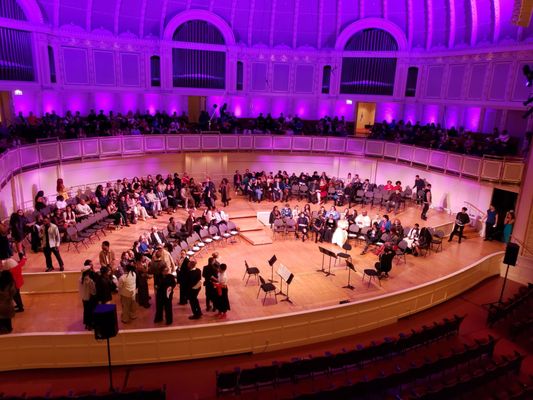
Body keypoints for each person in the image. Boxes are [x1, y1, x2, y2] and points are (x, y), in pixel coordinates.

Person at [79, 260, 96, 330]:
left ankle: (87, 324)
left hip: (84, 298)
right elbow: (93, 292)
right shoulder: (90, 281)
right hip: (90, 298)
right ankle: (91, 324)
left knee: (86, 310)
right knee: (91, 311)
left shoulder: (80, 279)